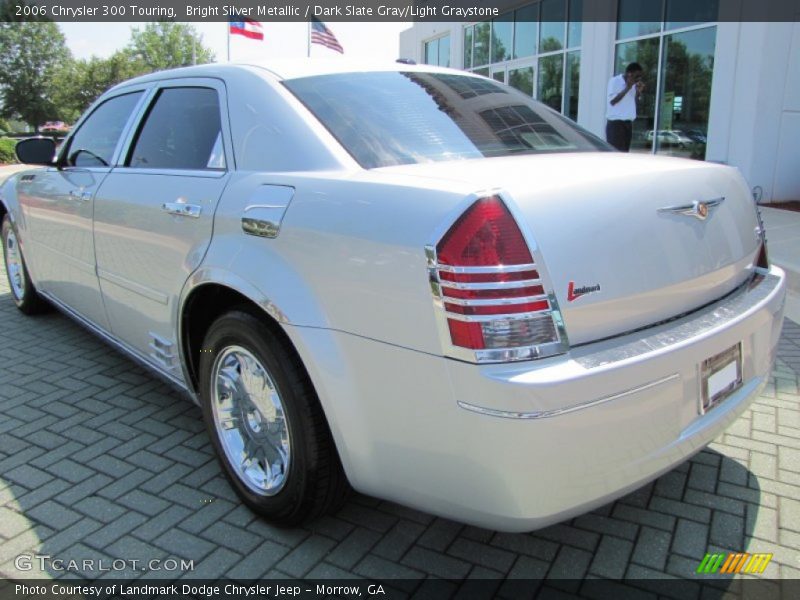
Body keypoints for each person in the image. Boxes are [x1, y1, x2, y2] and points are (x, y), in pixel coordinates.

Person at [606, 62, 645, 152]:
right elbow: (612, 101)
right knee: (616, 155)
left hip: (628, 123)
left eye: (640, 77)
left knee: (625, 154)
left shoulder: (634, 85)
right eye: (637, 76)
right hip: (616, 124)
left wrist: (639, 92)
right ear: (629, 74)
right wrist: (627, 88)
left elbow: (634, 103)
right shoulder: (615, 81)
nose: (638, 79)